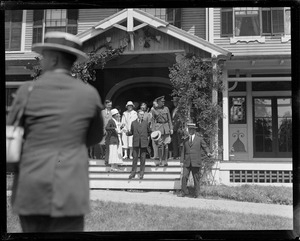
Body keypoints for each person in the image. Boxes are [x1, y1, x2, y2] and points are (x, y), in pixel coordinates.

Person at [6, 31, 104, 232]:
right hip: (70, 188)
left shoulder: (28, 91)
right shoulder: (89, 94)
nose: (41, 61)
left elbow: (10, 139)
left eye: (44, 56)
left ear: (55, 59)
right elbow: (95, 137)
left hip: (32, 187)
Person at [177, 123, 213, 198]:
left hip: (196, 162)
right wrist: (181, 161)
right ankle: (183, 192)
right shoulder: (185, 140)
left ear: (194, 130)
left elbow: (205, 146)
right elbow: (183, 151)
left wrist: (208, 152)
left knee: (196, 178)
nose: (190, 130)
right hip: (187, 162)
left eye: (192, 129)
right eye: (189, 129)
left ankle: (197, 194)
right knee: (184, 177)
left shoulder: (199, 139)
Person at [126, 109, 151, 179]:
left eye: (143, 114)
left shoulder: (146, 123)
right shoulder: (133, 123)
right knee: (135, 158)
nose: (142, 116)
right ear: (137, 115)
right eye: (141, 114)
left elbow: (149, 132)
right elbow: (131, 132)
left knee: (143, 158)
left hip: (143, 142)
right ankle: (133, 172)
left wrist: (146, 137)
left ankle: (141, 173)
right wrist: (127, 133)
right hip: (136, 142)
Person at [151, 96, 173, 166]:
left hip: (166, 128)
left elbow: (169, 119)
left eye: (164, 101)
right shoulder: (154, 110)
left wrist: (171, 128)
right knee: (160, 145)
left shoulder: (166, 108)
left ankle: (165, 160)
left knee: (166, 144)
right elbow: (153, 121)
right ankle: (160, 160)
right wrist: (153, 130)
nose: (163, 103)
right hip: (159, 128)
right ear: (158, 102)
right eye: (162, 102)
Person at [101, 100, 113, 164]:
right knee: (102, 144)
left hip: (110, 131)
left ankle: (106, 157)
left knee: (108, 145)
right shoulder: (102, 112)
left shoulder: (112, 112)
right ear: (106, 105)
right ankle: (103, 154)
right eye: (108, 105)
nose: (109, 106)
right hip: (103, 130)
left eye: (110, 105)